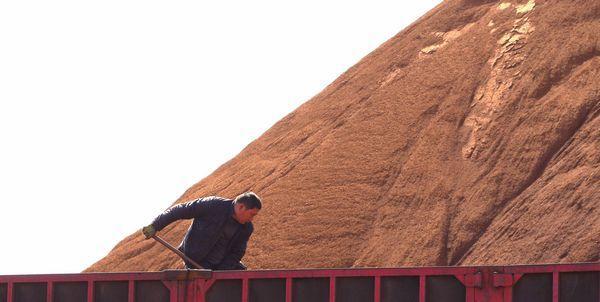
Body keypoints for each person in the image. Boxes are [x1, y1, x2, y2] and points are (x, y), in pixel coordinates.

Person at [141, 192, 261, 270]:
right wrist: (155, 225)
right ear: (241, 207)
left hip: (219, 266)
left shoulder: (247, 228)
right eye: (251, 214)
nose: (252, 218)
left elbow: (237, 253)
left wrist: (222, 272)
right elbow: (180, 210)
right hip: (195, 259)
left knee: (243, 276)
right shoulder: (212, 205)